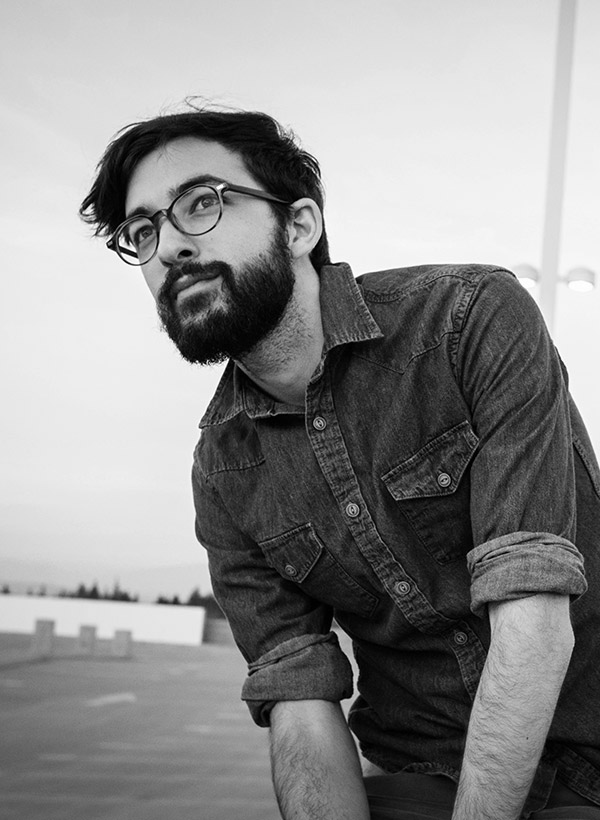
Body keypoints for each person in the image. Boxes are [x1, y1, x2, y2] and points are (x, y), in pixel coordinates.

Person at [80, 104, 600, 820]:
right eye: (143, 231)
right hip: (420, 774)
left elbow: (532, 610)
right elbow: (300, 700)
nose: (168, 246)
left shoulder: (468, 321)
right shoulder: (223, 471)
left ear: (299, 226)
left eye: (200, 203)